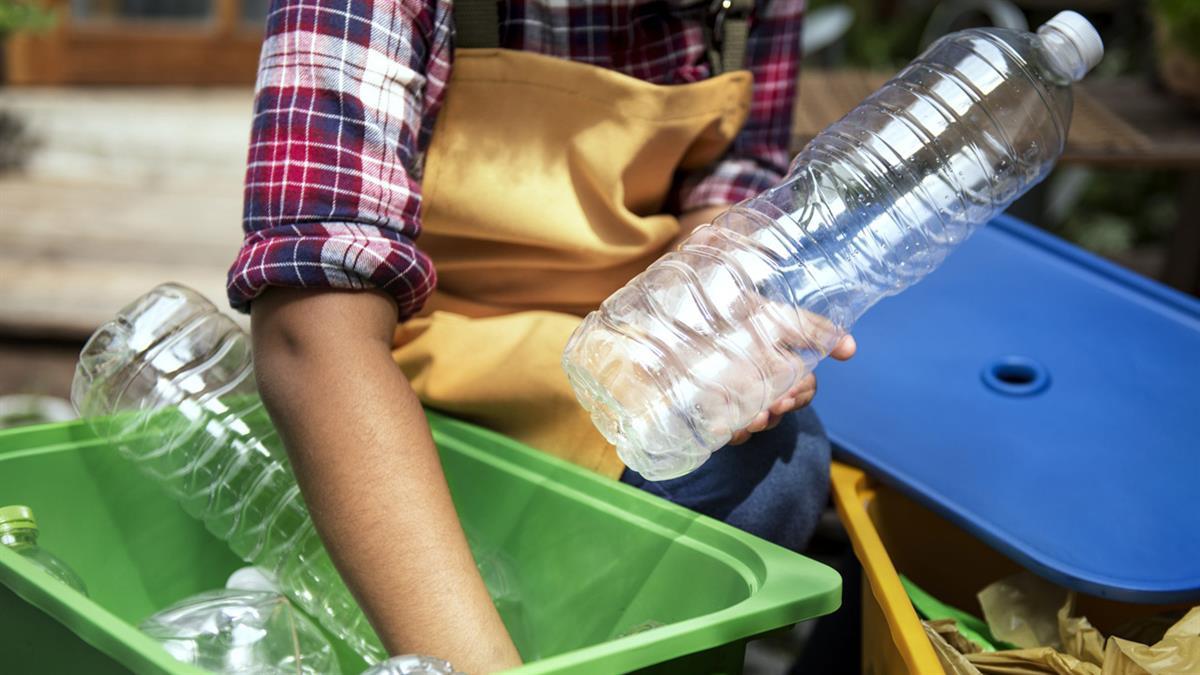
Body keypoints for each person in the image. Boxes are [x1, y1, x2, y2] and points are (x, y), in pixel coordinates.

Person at [229, 0, 854, 671]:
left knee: (776, 465)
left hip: (613, 348)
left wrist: (709, 316)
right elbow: (310, 332)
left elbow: (729, 180)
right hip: (407, 361)